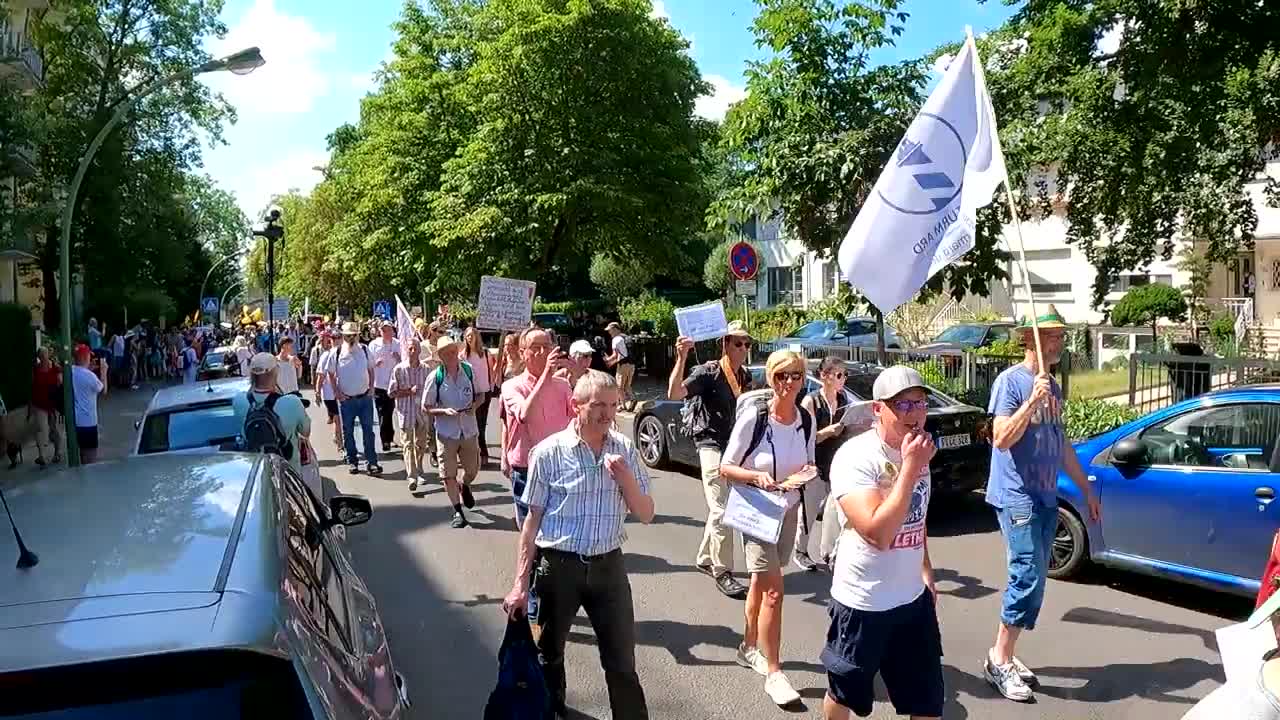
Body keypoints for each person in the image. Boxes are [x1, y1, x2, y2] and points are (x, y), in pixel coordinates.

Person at [501, 370, 655, 719]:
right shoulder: (549, 453)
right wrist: (520, 584)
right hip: (559, 567)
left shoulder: (625, 449)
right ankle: (551, 710)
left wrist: (626, 479)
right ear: (576, 406)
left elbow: (646, 513)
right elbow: (531, 522)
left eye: (613, 405)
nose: (607, 413)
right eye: (598, 404)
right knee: (549, 653)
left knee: (621, 662)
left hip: (608, 568)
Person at [983, 306, 1101, 702]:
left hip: (1046, 496)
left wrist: (1086, 491)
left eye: (1061, 336)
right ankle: (999, 659)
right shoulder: (1011, 383)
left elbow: (1061, 443)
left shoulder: (1054, 386)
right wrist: (1032, 402)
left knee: (1035, 577)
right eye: (1053, 336)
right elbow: (1000, 437)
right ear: (1031, 340)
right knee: (1026, 575)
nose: (1061, 342)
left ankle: (1007, 652)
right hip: (1017, 496)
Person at [718, 349, 814, 707]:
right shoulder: (756, 417)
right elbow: (726, 467)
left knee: (761, 581)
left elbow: (809, 464)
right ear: (771, 379)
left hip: (787, 511)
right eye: (782, 376)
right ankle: (774, 673)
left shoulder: (805, 418)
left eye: (796, 376)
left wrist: (805, 475)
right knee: (775, 590)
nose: (789, 383)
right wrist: (757, 477)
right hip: (757, 511)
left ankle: (747, 646)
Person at [666, 320, 754, 599]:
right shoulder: (708, 372)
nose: (743, 348)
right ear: (725, 344)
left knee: (721, 507)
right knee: (721, 510)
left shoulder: (746, 376)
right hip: (710, 446)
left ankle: (705, 557)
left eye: (747, 343)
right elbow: (674, 393)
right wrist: (681, 357)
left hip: (733, 449)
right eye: (738, 343)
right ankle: (722, 570)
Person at [500, 327, 574, 529]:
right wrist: (546, 377)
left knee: (557, 524)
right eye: (535, 348)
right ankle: (530, 560)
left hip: (558, 464)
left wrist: (578, 374)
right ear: (522, 353)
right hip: (526, 466)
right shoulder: (512, 386)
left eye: (546, 347)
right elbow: (525, 415)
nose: (542, 352)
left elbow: (579, 419)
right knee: (530, 528)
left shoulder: (563, 385)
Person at [795, 356, 863, 571]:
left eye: (845, 375)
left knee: (837, 513)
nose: (843, 379)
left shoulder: (844, 401)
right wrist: (826, 432)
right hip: (814, 464)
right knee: (808, 512)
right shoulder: (811, 401)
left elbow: (848, 429)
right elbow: (805, 438)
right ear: (824, 376)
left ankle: (831, 553)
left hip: (837, 464)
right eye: (839, 375)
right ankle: (800, 551)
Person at [425, 334, 483, 528]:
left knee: (472, 469)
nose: (450, 355)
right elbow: (426, 406)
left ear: (457, 351)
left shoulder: (468, 370)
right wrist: (443, 411)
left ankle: (465, 484)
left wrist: (474, 406)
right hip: (446, 433)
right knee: (448, 474)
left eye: (452, 350)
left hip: (468, 430)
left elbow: (481, 395)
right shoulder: (435, 377)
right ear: (440, 356)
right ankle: (457, 511)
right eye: (445, 353)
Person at [233, 352, 311, 475]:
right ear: (276, 372)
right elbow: (305, 431)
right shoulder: (292, 402)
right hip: (288, 475)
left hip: (257, 474)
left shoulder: (238, 400)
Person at [330, 321, 381, 475]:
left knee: (368, 431)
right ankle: (352, 461)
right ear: (343, 336)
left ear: (358, 336)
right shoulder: (337, 352)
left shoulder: (364, 350)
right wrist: (337, 393)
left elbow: (371, 369)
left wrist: (372, 387)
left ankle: (371, 462)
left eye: (353, 335)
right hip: (347, 400)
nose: (351, 338)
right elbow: (331, 374)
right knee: (348, 431)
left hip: (365, 398)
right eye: (348, 336)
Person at [390, 336, 431, 492]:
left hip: (421, 413)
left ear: (420, 350)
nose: (412, 351)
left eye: (415, 348)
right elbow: (392, 392)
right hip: (406, 412)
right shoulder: (399, 369)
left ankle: (419, 468)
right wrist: (408, 391)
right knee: (408, 444)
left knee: (420, 444)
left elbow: (431, 391)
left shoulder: (426, 369)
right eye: (410, 348)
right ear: (406, 350)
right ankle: (412, 476)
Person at [463, 326, 497, 464]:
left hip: (484, 392)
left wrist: (492, 383)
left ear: (477, 336)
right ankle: (474, 453)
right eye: (468, 335)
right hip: (470, 394)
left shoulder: (485, 353)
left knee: (481, 424)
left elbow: (492, 369)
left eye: (473, 335)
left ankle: (483, 453)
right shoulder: (463, 355)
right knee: (472, 424)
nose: (470, 338)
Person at [369, 320, 403, 453]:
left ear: (392, 331)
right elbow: (368, 364)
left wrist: (398, 358)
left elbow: (404, 362)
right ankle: (385, 440)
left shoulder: (397, 344)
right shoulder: (374, 345)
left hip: (393, 384)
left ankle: (389, 436)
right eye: (383, 330)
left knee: (389, 412)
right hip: (379, 384)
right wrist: (375, 363)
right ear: (380, 331)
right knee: (382, 412)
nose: (386, 332)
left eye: (388, 330)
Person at [71, 344, 107, 464]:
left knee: (81, 454)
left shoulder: (70, 371)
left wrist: (88, 369)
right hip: (88, 422)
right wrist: (104, 371)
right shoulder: (89, 376)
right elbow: (103, 389)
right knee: (90, 458)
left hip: (75, 421)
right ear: (86, 357)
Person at [30, 348, 62, 466]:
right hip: (39, 404)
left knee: (53, 430)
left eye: (45, 354)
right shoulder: (36, 369)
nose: (43, 357)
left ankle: (57, 453)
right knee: (41, 429)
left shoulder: (55, 368)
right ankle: (42, 456)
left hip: (52, 404)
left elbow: (60, 384)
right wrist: (31, 404)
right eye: (41, 355)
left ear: (48, 355)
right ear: (38, 357)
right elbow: (32, 386)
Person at [312, 332, 343, 449]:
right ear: (330, 340)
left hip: (344, 392)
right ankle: (341, 443)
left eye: (339, 338)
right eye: (334, 338)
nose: (337, 340)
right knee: (337, 419)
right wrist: (317, 392)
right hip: (330, 394)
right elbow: (320, 375)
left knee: (339, 419)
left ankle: (338, 437)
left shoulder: (347, 354)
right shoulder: (326, 355)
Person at [604, 321, 635, 408]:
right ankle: (632, 399)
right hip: (631, 364)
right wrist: (612, 363)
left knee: (619, 386)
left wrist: (607, 360)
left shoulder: (615, 339)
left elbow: (615, 355)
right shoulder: (625, 337)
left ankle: (623, 405)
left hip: (623, 365)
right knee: (627, 385)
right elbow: (622, 355)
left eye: (610, 330)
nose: (609, 333)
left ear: (615, 329)